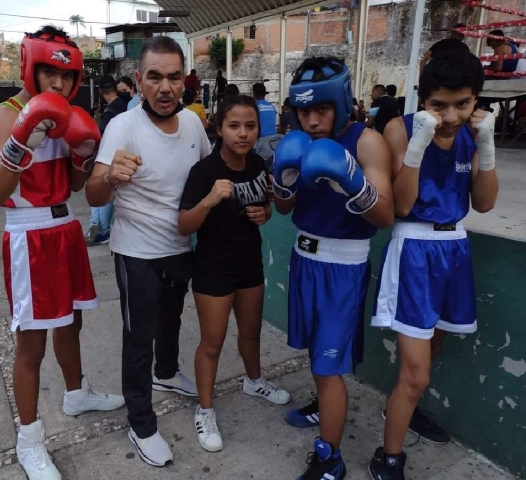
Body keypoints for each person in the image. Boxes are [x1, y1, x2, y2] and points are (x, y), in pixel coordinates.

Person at [0, 26, 125, 480]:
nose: (59, 85)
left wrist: (84, 156)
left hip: (65, 228)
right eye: (49, 73)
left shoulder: (67, 116)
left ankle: (76, 393)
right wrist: (22, 140)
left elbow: (77, 186)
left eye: (66, 77)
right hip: (29, 235)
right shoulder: (6, 117)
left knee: (72, 322)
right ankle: (29, 442)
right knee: (31, 343)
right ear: (31, 67)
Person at [369, 52, 498, 480]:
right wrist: (419, 145)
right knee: (417, 372)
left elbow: (483, 202)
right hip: (415, 249)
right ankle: (388, 457)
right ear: (422, 99)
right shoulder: (398, 128)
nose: (450, 115)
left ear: (475, 100)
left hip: (454, 248)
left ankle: (404, 410)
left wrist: (487, 147)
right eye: (439, 105)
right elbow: (403, 204)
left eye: (462, 103)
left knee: (433, 351)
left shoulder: (471, 132)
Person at [85, 35, 211, 468]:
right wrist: (109, 179)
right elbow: (93, 195)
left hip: (179, 245)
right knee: (138, 336)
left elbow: (209, 171)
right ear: (138, 81)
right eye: (154, 77)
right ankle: (140, 421)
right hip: (135, 251)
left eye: (173, 77)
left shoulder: (194, 124)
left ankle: (167, 374)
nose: (164, 87)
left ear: (184, 81)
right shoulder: (123, 127)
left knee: (172, 318)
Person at [273, 57, 394, 480]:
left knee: (328, 367)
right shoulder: (297, 141)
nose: (311, 120)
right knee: (316, 356)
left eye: (320, 110)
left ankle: (331, 458)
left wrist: (353, 182)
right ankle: (324, 407)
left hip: (343, 268)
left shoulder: (367, 142)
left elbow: (385, 216)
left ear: (340, 103)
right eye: (303, 111)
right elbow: (285, 209)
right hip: (304, 261)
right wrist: (282, 182)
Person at [177, 95, 291, 453]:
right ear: (219, 127)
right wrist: (209, 200)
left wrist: (265, 216)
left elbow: (267, 208)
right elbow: (183, 225)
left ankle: (254, 380)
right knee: (212, 342)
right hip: (213, 266)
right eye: (234, 126)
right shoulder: (204, 172)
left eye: (250, 126)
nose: (243, 133)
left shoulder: (259, 163)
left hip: (249, 263)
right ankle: (205, 409)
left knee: (251, 332)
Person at [85, 75, 129, 246]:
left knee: (102, 187)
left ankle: (102, 230)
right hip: (126, 157)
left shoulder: (110, 112)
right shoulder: (124, 105)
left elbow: (102, 137)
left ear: (101, 91)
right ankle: (97, 226)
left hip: (111, 157)